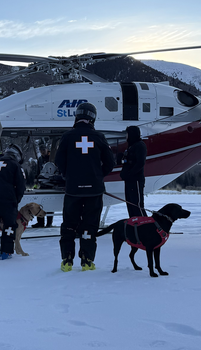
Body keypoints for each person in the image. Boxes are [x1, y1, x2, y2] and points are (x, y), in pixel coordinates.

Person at [54, 102, 115, 272]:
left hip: (73, 190)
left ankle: (67, 260)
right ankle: (87, 260)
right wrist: (97, 176)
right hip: (94, 191)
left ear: (77, 116)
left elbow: (59, 161)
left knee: (68, 224)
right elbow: (110, 162)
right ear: (93, 118)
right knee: (90, 224)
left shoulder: (67, 136)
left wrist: (68, 176)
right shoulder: (99, 137)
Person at [119, 125, 147, 217]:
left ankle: (145, 225)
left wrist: (130, 174)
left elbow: (140, 163)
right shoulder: (130, 147)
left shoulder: (140, 145)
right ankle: (134, 224)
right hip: (129, 180)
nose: (126, 136)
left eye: (127, 134)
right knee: (130, 204)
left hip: (135, 180)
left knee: (137, 204)